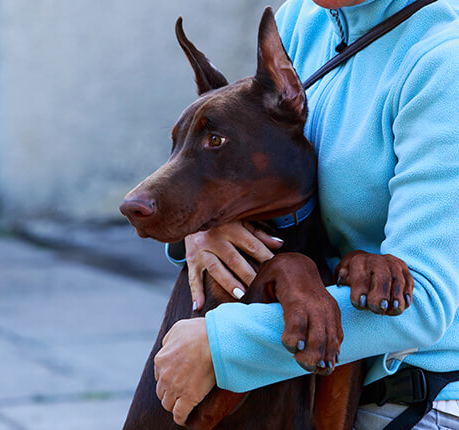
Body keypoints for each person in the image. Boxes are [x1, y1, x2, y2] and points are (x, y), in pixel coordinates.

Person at [154, 0, 459, 428]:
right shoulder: (301, 19)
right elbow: (254, 161)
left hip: (413, 398)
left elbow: (425, 302)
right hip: (296, 382)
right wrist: (206, 228)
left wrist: (221, 347)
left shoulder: (445, 62)